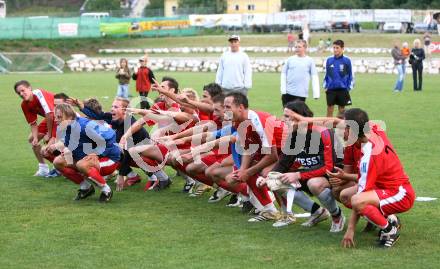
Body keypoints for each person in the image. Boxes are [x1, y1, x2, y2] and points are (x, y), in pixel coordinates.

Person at [340, 108, 415, 248]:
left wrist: (350, 230)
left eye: (344, 127)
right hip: (384, 187)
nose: (341, 130)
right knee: (345, 195)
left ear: (352, 131)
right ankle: (389, 219)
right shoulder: (374, 130)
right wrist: (305, 120)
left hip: (400, 193)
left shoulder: (369, 155)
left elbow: (360, 196)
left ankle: (389, 230)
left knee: (357, 200)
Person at [268, 101, 345, 232]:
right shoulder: (294, 135)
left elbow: (329, 167)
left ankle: (337, 215)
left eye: (287, 116)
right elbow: (284, 162)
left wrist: (298, 175)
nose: (283, 120)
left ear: (300, 117)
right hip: (311, 173)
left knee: (314, 184)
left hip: (334, 175)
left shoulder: (322, 132)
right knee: (277, 181)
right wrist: (268, 177)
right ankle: (317, 212)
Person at [50, 104, 121, 202]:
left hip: (110, 159)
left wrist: (97, 153)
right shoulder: (66, 126)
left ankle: (106, 190)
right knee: (58, 161)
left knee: (81, 165)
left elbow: (110, 135)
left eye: (59, 117)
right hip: (88, 157)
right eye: (55, 117)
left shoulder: (85, 126)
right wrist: (67, 149)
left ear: (70, 117)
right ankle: (86, 188)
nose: (56, 120)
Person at [14, 80, 56, 177]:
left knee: (52, 144)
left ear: (29, 88)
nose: (21, 94)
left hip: (62, 118)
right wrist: (36, 138)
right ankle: (43, 168)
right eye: (18, 93)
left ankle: (61, 166)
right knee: (32, 139)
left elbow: (50, 114)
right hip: (51, 119)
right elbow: (33, 123)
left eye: (23, 90)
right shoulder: (24, 104)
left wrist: (49, 134)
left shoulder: (38, 93)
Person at [280, 39, 320, 107]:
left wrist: (316, 94)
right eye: (295, 47)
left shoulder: (310, 61)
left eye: (299, 47)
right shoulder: (289, 60)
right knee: (287, 115)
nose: (297, 49)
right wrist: (283, 90)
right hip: (288, 93)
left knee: (298, 115)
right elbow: (283, 75)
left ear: (305, 48)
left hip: (301, 94)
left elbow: (314, 77)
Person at [323, 39, 354, 117]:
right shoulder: (329, 60)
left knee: (341, 111)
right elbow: (326, 74)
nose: (335, 50)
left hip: (342, 89)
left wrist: (349, 87)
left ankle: (340, 128)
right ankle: (328, 128)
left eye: (337, 48)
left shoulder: (347, 60)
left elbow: (351, 74)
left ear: (342, 48)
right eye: (334, 48)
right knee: (329, 109)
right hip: (331, 89)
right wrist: (325, 86)